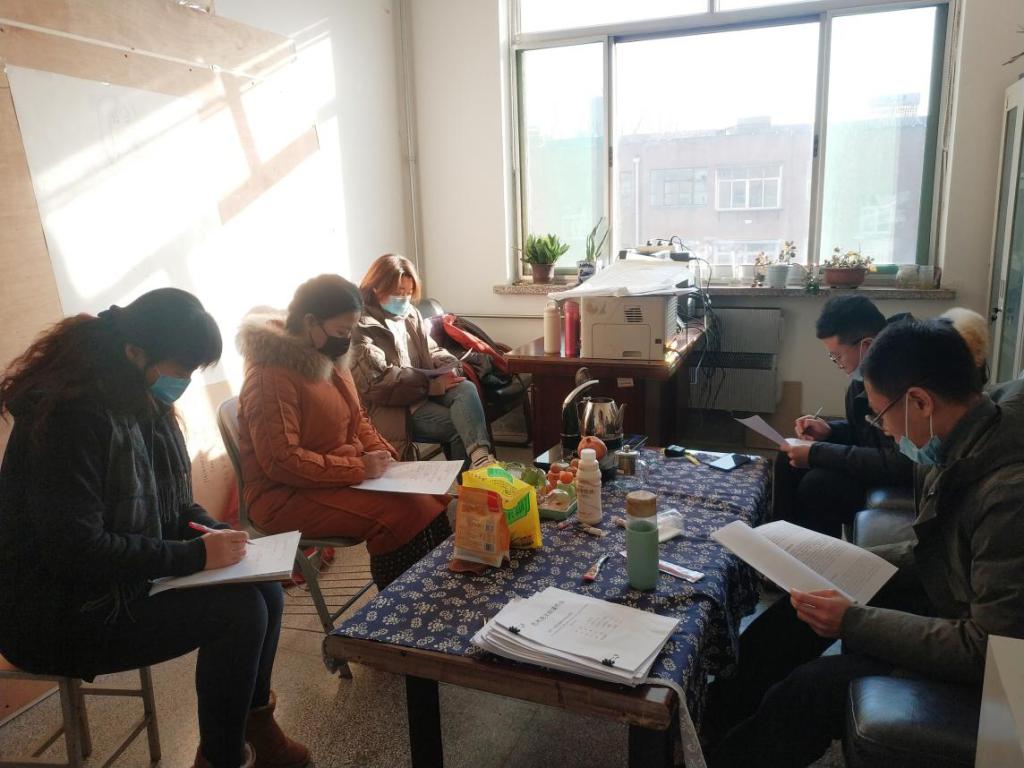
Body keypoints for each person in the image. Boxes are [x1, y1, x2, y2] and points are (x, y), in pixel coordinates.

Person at [0, 288, 307, 768]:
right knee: (239, 612)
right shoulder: (68, 417)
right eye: (181, 369)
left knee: (266, 590)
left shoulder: (137, 400)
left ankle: (257, 728)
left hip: (114, 584)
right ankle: (222, 758)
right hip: (59, 611)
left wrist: (213, 533)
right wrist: (197, 556)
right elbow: (76, 551)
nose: (184, 382)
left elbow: (174, 506)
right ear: (134, 352)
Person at [705, 319, 1024, 767]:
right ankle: (708, 722)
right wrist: (849, 562)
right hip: (952, 597)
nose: (884, 431)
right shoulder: (968, 436)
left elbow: (989, 651)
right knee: (804, 604)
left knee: (808, 690)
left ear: (920, 401)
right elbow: (940, 550)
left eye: (881, 416)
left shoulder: (1008, 498)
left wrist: (853, 621)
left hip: (992, 668)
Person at [236, 274, 451, 589]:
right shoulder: (270, 377)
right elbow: (282, 461)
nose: (347, 339)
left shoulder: (329, 356)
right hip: (283, 495)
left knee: (431, 495)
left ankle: (438, 588)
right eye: (341, 331)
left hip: (336, 474)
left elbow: (358, 418)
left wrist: (384, 454)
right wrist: (359, 468)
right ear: (310, 322)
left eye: (351, 330)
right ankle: (401, 603)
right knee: (404, 513)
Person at [775, 295, 913, 536]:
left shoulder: (902, 376)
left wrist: (817, 453)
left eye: (837, 356)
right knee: (788, 457)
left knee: (818, 485)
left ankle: (813, 554)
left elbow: (901, 461)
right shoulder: (872, 366)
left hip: (900, 473)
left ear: (866, 346)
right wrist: (830, 431)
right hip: (879, 461)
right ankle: (777, 540)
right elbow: (869, 433)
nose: (836, 364)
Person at [351, 253, 496, 468]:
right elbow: (380, 383)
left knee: (465, 387)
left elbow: (431, 349)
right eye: (398, 292)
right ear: (376, 287)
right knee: (460, 428)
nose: (404, 299)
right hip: (394, 409)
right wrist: (432, 386)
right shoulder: (362, 325)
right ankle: (471, 480)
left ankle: (481, 459)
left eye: (409, 293)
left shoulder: (410, 314)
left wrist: (449, 365)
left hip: (422, 393)